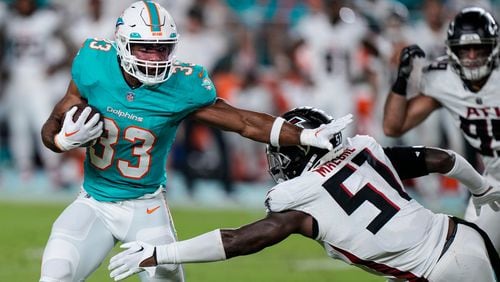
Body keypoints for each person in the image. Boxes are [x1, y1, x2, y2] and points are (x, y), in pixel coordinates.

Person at [38, 1, 352, 281]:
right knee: (56, 274)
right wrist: (64, 141)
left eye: (162, 49)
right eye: (146, 47)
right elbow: (50, 127)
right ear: (123, 44)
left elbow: (242, 121)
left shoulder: (182, 84)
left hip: (145, 209)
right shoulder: (93, 62)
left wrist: (304, 135)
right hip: (93, 202)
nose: (155, 57)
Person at [108, 107, 500, 282]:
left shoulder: (299, 198)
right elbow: (440, 158)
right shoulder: (363, 148)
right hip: (464, 235)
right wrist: (481, 189)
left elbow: (241, 240)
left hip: (440, 272)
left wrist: (161, 253)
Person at [383, 6, 500, 253]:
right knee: (473, 254)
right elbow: (394, 126)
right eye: (464, 49)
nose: (471, 56)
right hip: (493, 182)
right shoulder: (443, 80)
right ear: (451, 49)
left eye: (478, 48)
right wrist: (401, 80)